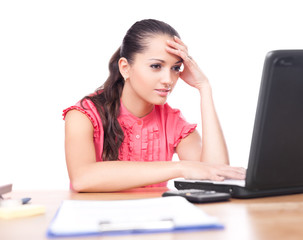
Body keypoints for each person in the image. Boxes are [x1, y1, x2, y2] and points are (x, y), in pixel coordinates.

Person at [63, 19, 246, 192]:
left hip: (156, 221)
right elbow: (82, 178)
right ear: (125, 68)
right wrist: (181, 167)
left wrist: (204, 88)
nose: (168, 80)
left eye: (175, 68)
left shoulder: (173, 122)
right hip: (95, 221)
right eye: (156, 66)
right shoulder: (84, 115)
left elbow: (217, 175)